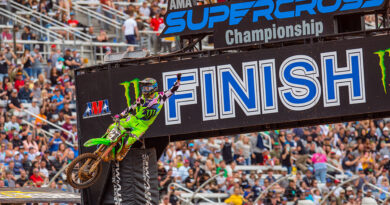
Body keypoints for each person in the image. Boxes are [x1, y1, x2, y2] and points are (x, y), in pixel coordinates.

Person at [112, 74, 181, 161]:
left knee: (130, 141)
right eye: (144, 87)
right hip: (134, 119)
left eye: (147, 88)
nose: (144, 90)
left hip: (143, 126)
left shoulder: (161, 97)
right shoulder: (142, 99)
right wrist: (120, 115)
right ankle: (105, 141)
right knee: (114, 126)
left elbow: (173, 90)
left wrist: (178, 80)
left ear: (154, 88)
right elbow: (131, 107)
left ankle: (122, 153)